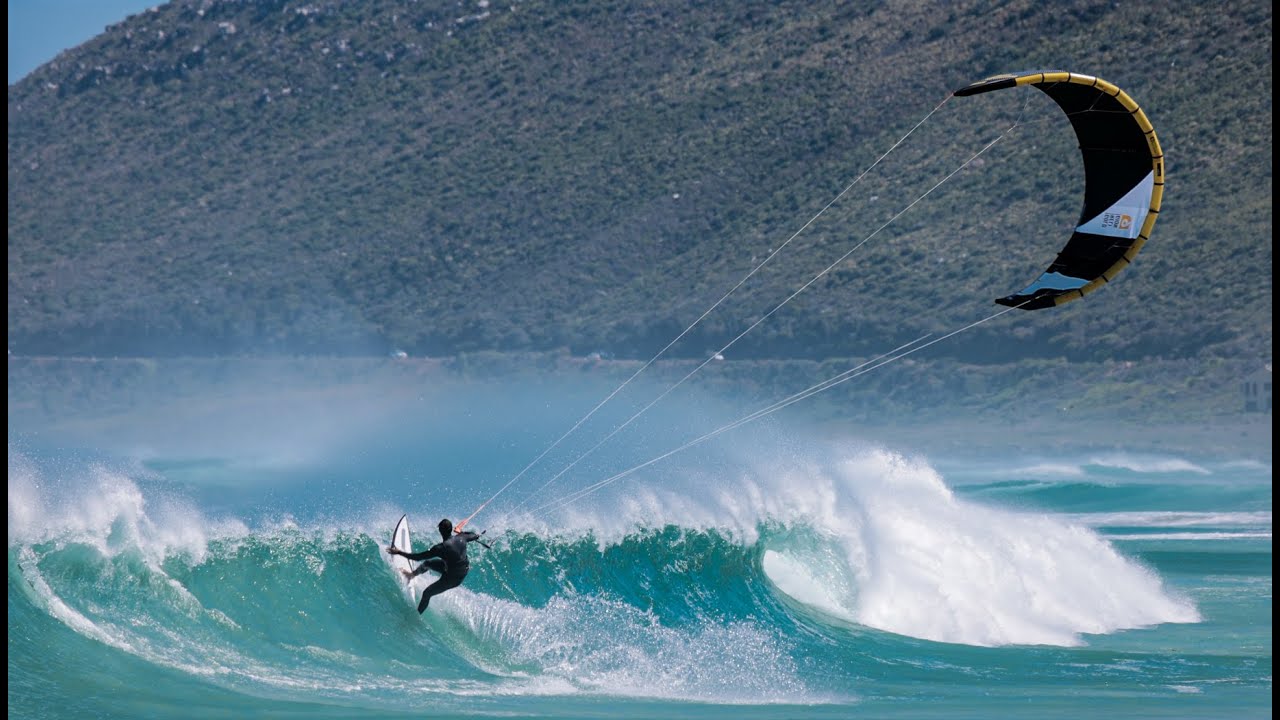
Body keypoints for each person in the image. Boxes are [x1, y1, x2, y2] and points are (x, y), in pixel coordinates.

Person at [387, 518, 490, 613]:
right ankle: (411, 574)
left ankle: (416, 616)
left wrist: (399, 552)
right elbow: (475, 535)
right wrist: (460, 531)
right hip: (462, 571)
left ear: (440, 531)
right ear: (451, 529)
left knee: (426, 593)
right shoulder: (462, 537)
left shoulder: (441, 548)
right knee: (428, 564)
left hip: (452, 578)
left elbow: (417, 557)